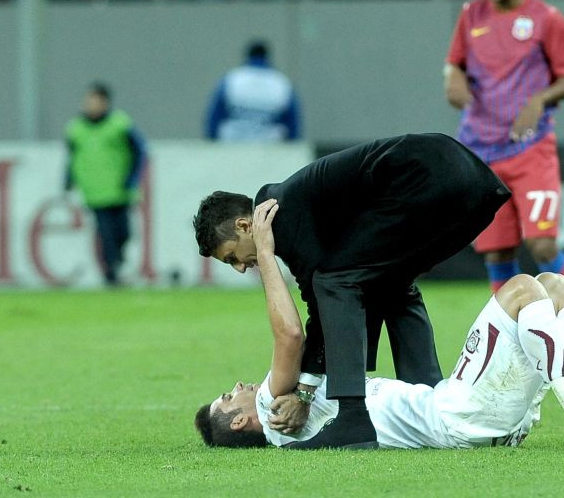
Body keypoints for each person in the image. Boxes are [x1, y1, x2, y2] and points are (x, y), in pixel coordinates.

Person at [193, 199, 564, 450]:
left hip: (479, 421)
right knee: (521, 289)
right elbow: (289, 334)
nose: (238, 387)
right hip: (456, 415)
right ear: (239, 421)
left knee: (554, 286)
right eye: (227, 397)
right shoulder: (273, 412)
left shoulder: (294, 404)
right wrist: (267, 255)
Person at [192, 133, 511, 449]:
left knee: (334, 281)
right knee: (391, 284)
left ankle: (353, 418)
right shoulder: (297, 207)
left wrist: (305, 392)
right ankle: (429, 396)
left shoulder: (283, 213)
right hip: (474, 185)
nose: (239, 267)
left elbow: (317, 309)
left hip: (427, 177)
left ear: (245, 226)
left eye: (232, 257)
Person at [444, 0, 564, 292]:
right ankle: (512, 324)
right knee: (497, 252)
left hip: (530, 149)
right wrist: (453, 79)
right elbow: (454, 63)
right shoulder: (470, 15)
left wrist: (540, 99)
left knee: (542, 244)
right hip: (482, 153)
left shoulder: (546, 18)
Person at [65, 82, 147, 286]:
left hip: (120, 189)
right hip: (95, 191)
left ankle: (116, 262)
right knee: (105, 234)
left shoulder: (120, 124)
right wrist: (68, 179)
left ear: (105, 103)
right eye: (88, 101)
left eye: (95, 101)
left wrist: (132, 178)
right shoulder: (76, 128)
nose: (90, 105)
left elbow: (139, 151)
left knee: (124, 232)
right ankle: (111, 273)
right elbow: (71, 157)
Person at [203, 40, 302, 141]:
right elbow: (293, 124)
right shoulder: (282, 84)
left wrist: (212, 142)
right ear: (267, 57)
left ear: (248, 56)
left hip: (232, 144)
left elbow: (214, 119)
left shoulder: (231, 79)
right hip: (270, 146)